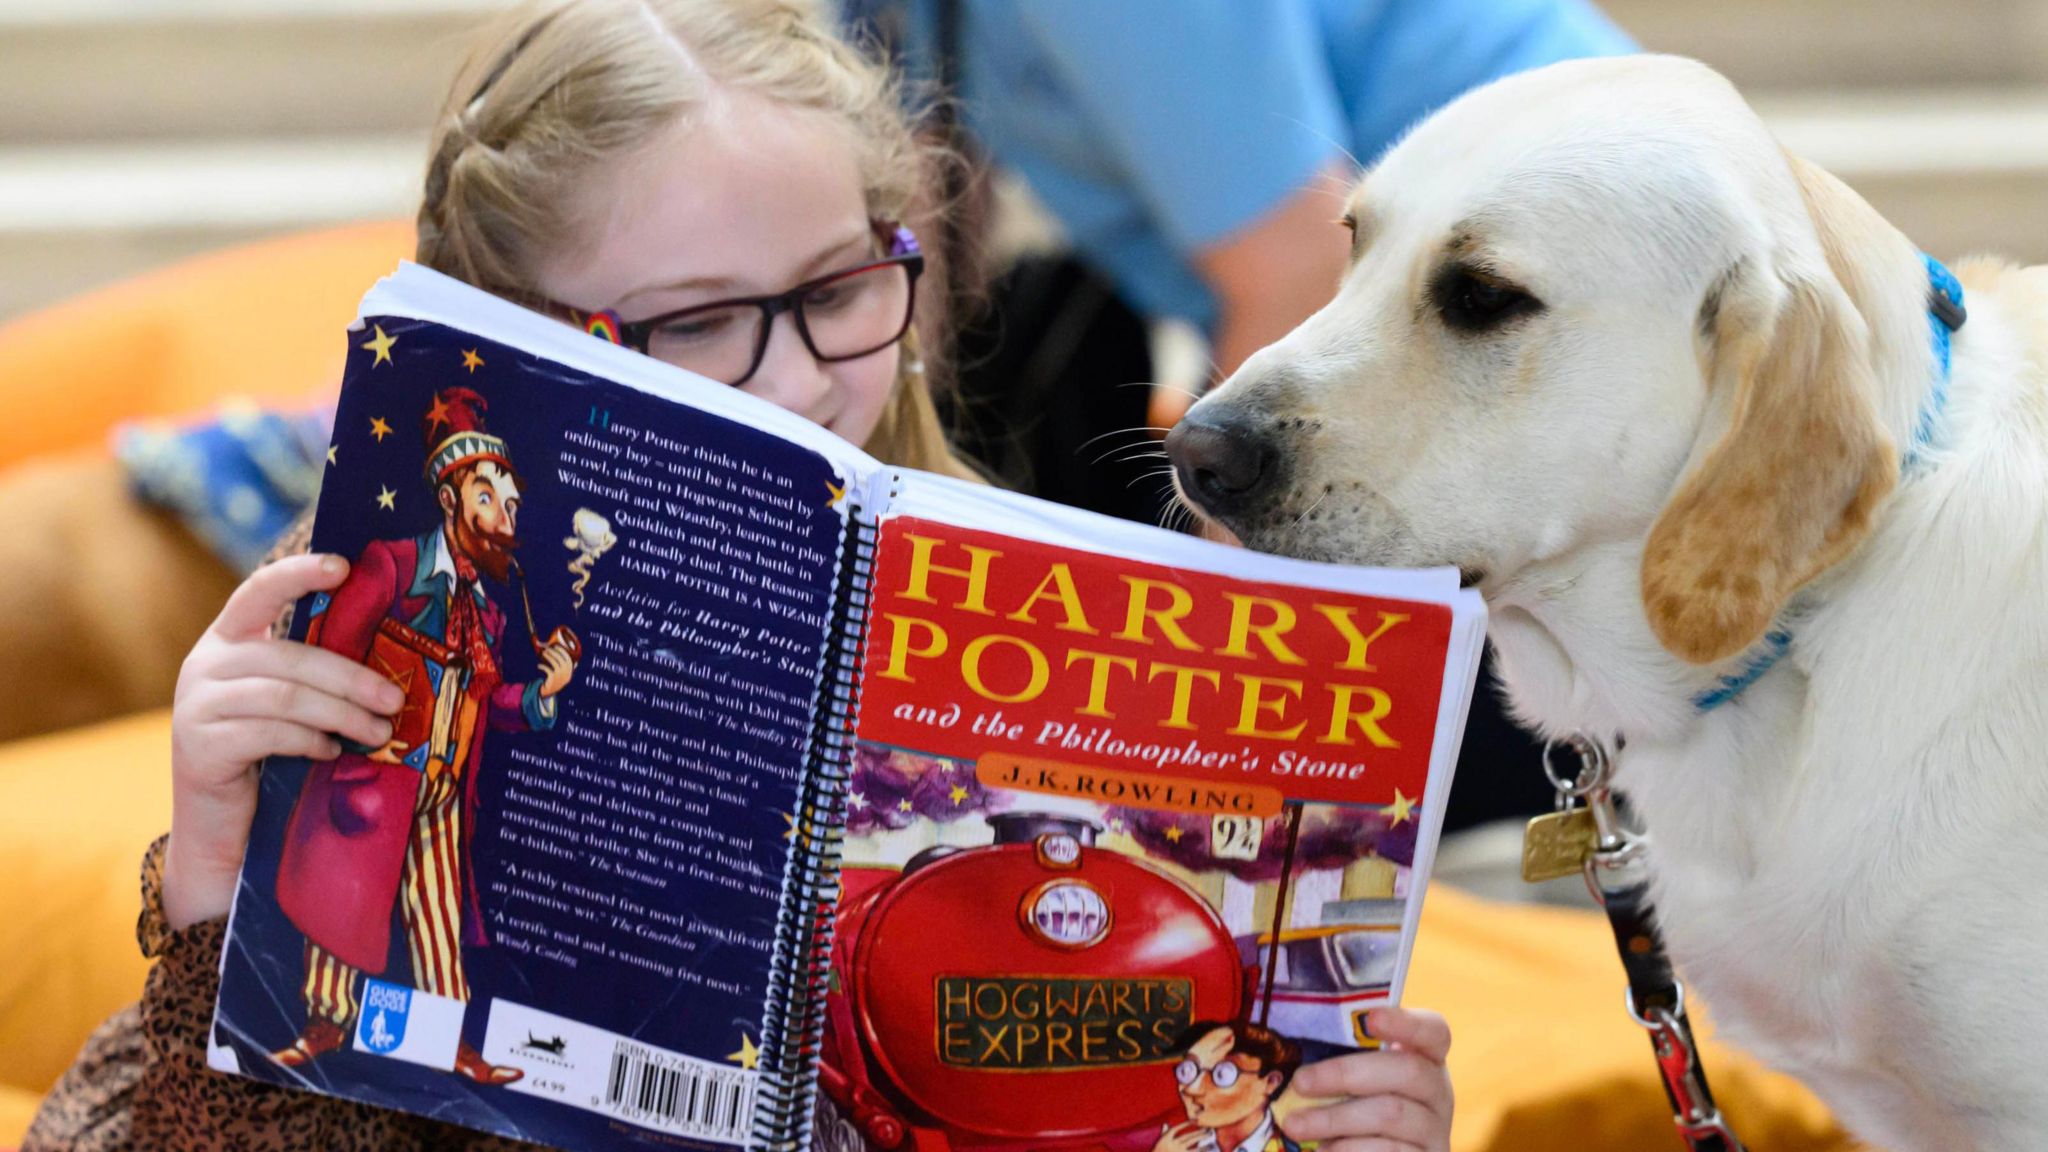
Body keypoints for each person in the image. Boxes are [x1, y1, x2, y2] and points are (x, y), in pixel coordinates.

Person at [25, 2, 1454, 1150]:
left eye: (838, 290)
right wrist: (224, 898)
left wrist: (1342, 1127)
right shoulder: (391, 621)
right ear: (511, 341)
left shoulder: (1012, 597)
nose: (795, 386)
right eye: (700, 323)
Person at [267, 387, 575, 1083]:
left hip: (442, 789)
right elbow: (330, 651)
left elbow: (491, 704)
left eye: (512, 506)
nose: (504, 518)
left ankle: (448, 1040)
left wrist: (543, 695)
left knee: (438, 916)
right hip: (374, 778)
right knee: (343, 900)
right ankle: (325, 1019)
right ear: (451, 498)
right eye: (490, 499)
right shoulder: (391, 564)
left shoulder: (491, 615)